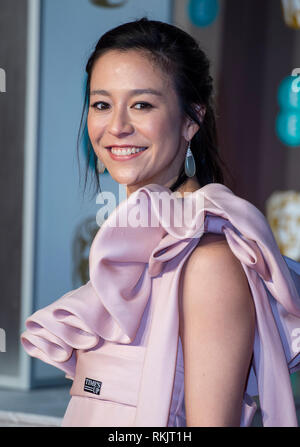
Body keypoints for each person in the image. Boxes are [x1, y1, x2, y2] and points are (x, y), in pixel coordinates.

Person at [21, 17, 300, 427]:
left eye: (142, 105)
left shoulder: (209, 263)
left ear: (191, 119)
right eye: (101, 104)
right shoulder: (127, 248)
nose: (116, 126)